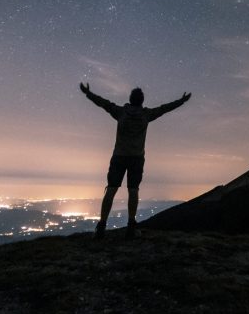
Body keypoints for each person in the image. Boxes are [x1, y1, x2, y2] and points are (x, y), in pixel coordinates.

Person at [79, 82, 191, 239]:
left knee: (111, 189)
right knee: (133, 190)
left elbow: (103, 103)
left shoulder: (120, 112)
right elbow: (165, 108)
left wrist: (88, 93)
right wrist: (181, 101)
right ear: (142, 101)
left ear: (130, 99)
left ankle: (101, 227)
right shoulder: (146, 115)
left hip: (119, 156)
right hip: (136, 158)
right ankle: (131, 227)